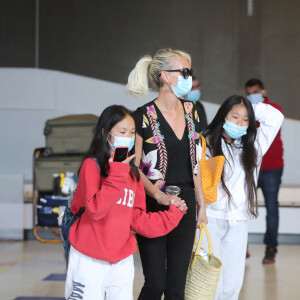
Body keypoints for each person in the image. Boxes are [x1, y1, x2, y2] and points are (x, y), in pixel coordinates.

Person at [65, 105, 187, 300]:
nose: (128, 138)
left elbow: (137, 220)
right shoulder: (92, 166)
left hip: (121, 261)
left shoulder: (133, 175)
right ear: (106, 134)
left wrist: (173, 213)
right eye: (122, 132)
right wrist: (118, 173)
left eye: (132, 133)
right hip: (88, 258)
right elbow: (96, 209)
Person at [126, 48, 207, 300]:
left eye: (189, 72)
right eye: (183, 72)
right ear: (164, 76)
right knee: (155, 284)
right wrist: (159, 196)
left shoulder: (193, 112)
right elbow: (135, 166)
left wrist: (202, 204)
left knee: (176, 288)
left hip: (185, 205)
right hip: (153, 205)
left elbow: (197, 162)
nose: (188, 78)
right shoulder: (142, 116)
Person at [198, 95, 283, 299]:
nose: (240, 123)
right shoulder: (206, 142)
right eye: (235, 116)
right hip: (209, 219)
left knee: (232, 283)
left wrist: (248, 106)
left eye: (246, 119)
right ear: (223, 116)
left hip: (238, 220)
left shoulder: (253, 146)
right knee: (210, 282)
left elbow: (276, 117)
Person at [245, 78, 284, 264]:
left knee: (272, 209)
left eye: (255, 91)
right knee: (241, 206)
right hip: (251, 167)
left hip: (272, 168)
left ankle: (270, 249)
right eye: (249, 92)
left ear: (263, 91)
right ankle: (242, 246)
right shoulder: (244, 111)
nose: (252, 95)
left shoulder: (274, 109)